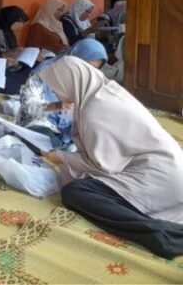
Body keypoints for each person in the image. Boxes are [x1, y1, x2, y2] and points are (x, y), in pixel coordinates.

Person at [41, 57, 183, 259]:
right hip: (169, 168)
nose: (55, 93)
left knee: (75, 193)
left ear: (69, 82)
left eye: (56, 87)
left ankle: (162, 235)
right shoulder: (104, 93)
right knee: (81, 181)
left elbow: (101, 166)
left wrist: (61, 156)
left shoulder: (94, 110)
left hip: (160, 177)